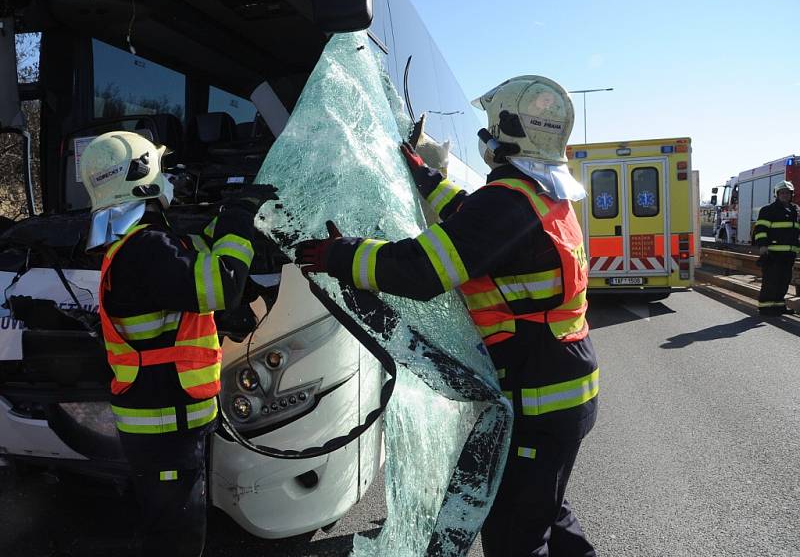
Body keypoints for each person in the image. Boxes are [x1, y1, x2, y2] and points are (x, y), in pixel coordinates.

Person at [295, 75, 598, 556]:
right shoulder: (541, 196)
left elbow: (421, 269)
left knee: (516, 536)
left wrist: (339, 256)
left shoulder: (509, 202)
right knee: (545, 510)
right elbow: (470, 219)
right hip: (561, 391)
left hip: (538, 401)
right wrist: (423, 175)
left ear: (506, 132)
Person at [79, 131, 276, 557]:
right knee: (177, 541)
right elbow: (221, 283)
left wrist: (222, 220)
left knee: (168, 529)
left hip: (164, 426)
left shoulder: (140, 246)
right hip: (166, 428)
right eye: (162, 170)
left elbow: (191, 260)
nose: (171, 179)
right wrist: (239, 217)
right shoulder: (146, 248)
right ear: (140, 177)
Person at [753, 180, 799, 316]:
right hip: (773, 253)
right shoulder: (768, 210)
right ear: (777, 194)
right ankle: (765, 307)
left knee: (784, 281)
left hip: (789, 253)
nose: (785, 195)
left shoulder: (795, 211)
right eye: (782, 193)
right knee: (771, 281)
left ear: (792, 194)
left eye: (787, 193)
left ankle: (779, 306)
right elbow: (760, 229)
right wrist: (762, 246)